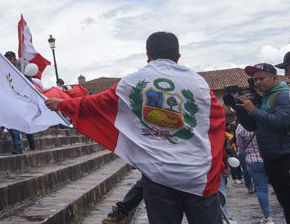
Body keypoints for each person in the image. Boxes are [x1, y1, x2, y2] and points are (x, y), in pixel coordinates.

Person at [45, 32, 224, 224]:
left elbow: (94, 103)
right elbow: (216, 123)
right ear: (178, 56)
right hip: (198, 176)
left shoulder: (131, 83)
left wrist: (62, 104)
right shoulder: (199, 85)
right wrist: (218, 164)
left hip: (158, 176)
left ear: (148, 55)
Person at [234, 62, 290, 223]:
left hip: (287, 157)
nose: (258, 83)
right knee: (286, 203)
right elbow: (251, 126)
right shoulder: (265, 98)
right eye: (255, 80)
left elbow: (282, 122)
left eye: (262, 78)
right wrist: (241, 110)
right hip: (271, 158)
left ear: (274, 77)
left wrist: (253, 110)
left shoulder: (282, 95)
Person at [237, 121, 273, 223]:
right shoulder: (264, 122)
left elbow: (240, 147)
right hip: (269, 158)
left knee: (261, 190)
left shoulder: (241, 128)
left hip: (253, 161)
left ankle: (268, 217)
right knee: (280, 188)